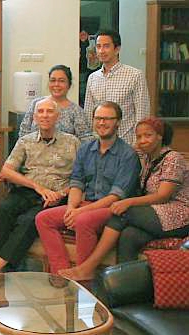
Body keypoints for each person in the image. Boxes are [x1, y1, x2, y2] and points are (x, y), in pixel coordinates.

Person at [60, 118, 189, 281]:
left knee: (122, 213)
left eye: (148, 135)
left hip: (178, 215)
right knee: (129, 236)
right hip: (155, 214)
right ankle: (124, 288)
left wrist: (127, 202)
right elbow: (126, 150)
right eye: (139, 136)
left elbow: (162, 196)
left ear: (160, 136)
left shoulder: (173, 158)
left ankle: (87, 268)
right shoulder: (147, 158)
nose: (142, 141)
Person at [35, 101, 140, 276]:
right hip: (87, 204)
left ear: (118, 122)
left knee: (84, 220)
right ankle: (61, 273)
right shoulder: (85, 149)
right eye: (98, 118)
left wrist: (80, 213)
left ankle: (84, 278)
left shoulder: (128, 155)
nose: (102, 123)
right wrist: (71, 209)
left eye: (108, 119)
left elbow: (116, 196)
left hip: (112, 210)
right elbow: (77, 183)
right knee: (43, 218)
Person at [0, 98, 80, 276]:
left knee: (28, 221)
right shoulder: (26, 141)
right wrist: (36, 186)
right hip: (27, 191)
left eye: (49, 111)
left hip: (56, 198)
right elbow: (5, 171)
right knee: (2, 209)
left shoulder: (72, 143)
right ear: (34, 117)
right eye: (40, 112)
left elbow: (81, 177)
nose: (45, 115)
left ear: (58, 116)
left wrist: (62, 192)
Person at [83, 29, 149, 145]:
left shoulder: (135, 75)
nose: (101, 51)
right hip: (99, 145)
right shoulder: (93, 78)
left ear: (117, 49)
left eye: (106, 46)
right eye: (98, 46)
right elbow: (89, 115)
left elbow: (142, 114)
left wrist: (136, 145)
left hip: (126, 143)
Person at [18, 65, 93, 141]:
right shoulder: (36, 104)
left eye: (61, 81)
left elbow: (85, 139)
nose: (56, 84)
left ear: (69, 85)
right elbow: (24, 132)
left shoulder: (76, 111)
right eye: (53, 80)